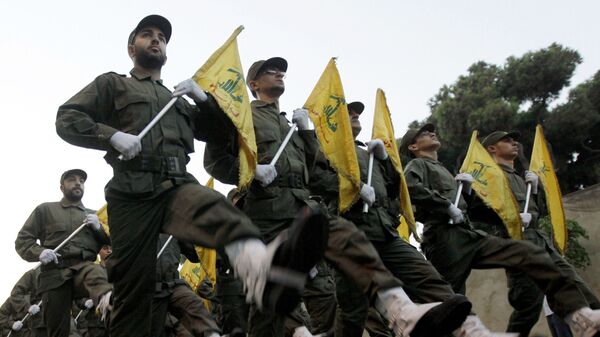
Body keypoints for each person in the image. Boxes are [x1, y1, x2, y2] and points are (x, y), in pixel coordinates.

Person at [55, 15, 327, 337]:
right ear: (132, 48)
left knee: (218, 210)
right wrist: (110, 136)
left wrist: (203, 100)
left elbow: (220, 135)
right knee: (133, 289)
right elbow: (68, 117)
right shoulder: (113, 84)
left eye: (162, 37)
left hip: (175, 184)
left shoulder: (177, 101)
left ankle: (261, 269)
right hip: (132, 193)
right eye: (147, 35)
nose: (156, 40)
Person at [204, 56, 472, 337]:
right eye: (269, 72)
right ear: (254, 84)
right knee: (272, 302)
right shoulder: (243, 116)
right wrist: (250, 172)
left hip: (302, 212)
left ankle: (405, 312)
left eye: (281, 70)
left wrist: (307, 133)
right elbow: (215, 162)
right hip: (266, 213)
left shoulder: (291, 125)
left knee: (345, 258)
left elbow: (314, 171)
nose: (278, 74)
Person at [313, 101, 507, 337]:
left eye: (356, 114)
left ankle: (470, 329)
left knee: (428, 278)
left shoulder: (369, 154)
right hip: (351, 235)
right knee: (354, 310)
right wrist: (351, 186)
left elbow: (397, 189)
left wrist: (384, 159)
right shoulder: (327, 150)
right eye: (348, 114)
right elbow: (313, 177)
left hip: (385, 233)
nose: (355, 116)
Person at [400, 123, 600, 337]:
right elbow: (409, 188)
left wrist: (468, 192)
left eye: (432, 131)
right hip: (445, 235)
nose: (431, 133)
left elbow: (489, 211)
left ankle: (589, 316)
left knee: (553, 272)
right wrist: (447, 205)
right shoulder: (420, 165)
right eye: (424, 133)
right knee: (448, 298)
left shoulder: (444, 169)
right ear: (413, 147)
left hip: (470, 233)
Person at [468, 130, 600, 336]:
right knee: (528, 307)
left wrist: (537, 190)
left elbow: (540, 212)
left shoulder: (521, 179)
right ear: (491, 148)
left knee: (579, 290)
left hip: (542, 243)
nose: (514, 143)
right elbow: (475, 210)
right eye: (507, 140)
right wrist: (509, 218)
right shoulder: (490, 179)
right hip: (519, 248)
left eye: (515, 140)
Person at [15, 169, 113, 337]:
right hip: (54, 274)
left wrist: (98, 229)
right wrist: (39, 252)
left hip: (82, 267)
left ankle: (107, 301)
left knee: (95, 272)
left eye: (81, 181)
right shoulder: (45, 210)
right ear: (62, 187)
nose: (78, 183)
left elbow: (112, 244)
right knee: (57, 330)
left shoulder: (94, 215)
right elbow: (23, 241)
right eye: (72, 180)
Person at [0, 269, 44, 337]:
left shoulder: (46, 303)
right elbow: (1, 316)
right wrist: (12, 324)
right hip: (16, 333)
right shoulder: (13, 300)